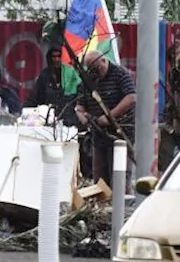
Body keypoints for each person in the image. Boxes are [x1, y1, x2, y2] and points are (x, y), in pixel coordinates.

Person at [74, 49, 136, 186]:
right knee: (100, 180)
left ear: (103, 60)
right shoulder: (88, 80)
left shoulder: (120, 74)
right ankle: (103, 205)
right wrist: (84, 118)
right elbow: (80, 106)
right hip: (99, 135)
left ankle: (121, 205)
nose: (96, 72)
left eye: (97, 68)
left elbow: (131, 98)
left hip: (121, 134)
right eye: (91, 69)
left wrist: (109, 116)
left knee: (119, 178)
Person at [28, 47, 73, 121]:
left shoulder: (71, 75)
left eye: (59, 56)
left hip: (68, 118)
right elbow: (35, 97)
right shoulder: (44, 75)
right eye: (54, 57)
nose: (56, 59)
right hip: (48, 117)